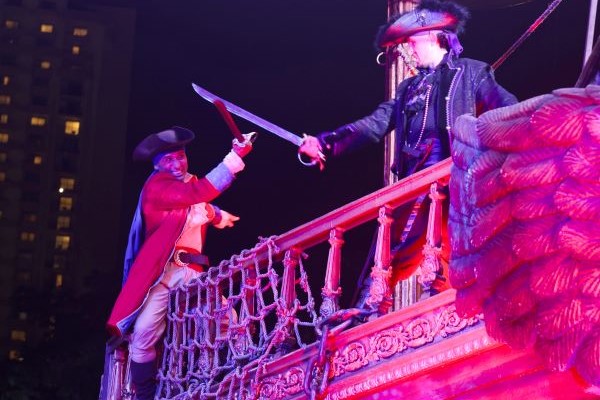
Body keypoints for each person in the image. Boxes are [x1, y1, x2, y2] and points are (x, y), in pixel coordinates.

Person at [299, 0, 517, 307]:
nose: (409, 50)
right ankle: (367, 310)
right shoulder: (407, 89)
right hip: (416, 183)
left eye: (412, 42)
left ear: (431, 36)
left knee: (456, 250)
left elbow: (507, 109)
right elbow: (374, 124)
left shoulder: (471, 72)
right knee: (392, 252)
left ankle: (450, 305)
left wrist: (525, 131)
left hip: (456, 180)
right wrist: (325, 143)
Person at [106, 126, 254, 400]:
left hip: (191, 274)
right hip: (164, 274)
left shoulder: (185, 186)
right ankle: (146, 395)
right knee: (143, 334)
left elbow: (196, 204)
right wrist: (235, 156)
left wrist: (217, 215)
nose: (177, 164)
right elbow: (197, 194)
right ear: (157, 165)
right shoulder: (156, 187)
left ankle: (240, 374)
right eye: (169, 160)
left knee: (229, 321)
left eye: (180, 157)